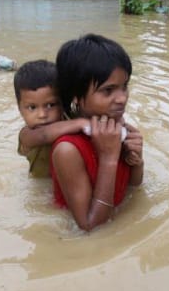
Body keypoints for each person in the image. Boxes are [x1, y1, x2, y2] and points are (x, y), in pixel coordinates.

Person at [51, 34, 144, 231]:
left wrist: (137, 160)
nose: (122, 98)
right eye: (108, 90)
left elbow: (133, 187)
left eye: (124, 86)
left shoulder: (115, 126)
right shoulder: (68, 150)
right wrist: (109, 157)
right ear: (76, 96)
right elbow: (90, 226)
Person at [14, 59, 90, 177]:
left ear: (63, 103)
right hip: (41, 185)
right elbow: (43, 135)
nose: (42, 115)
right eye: (32, 107)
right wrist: (80, 123)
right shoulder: (27, 135)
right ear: (19, 109)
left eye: (50, 105)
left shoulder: (69, 119)